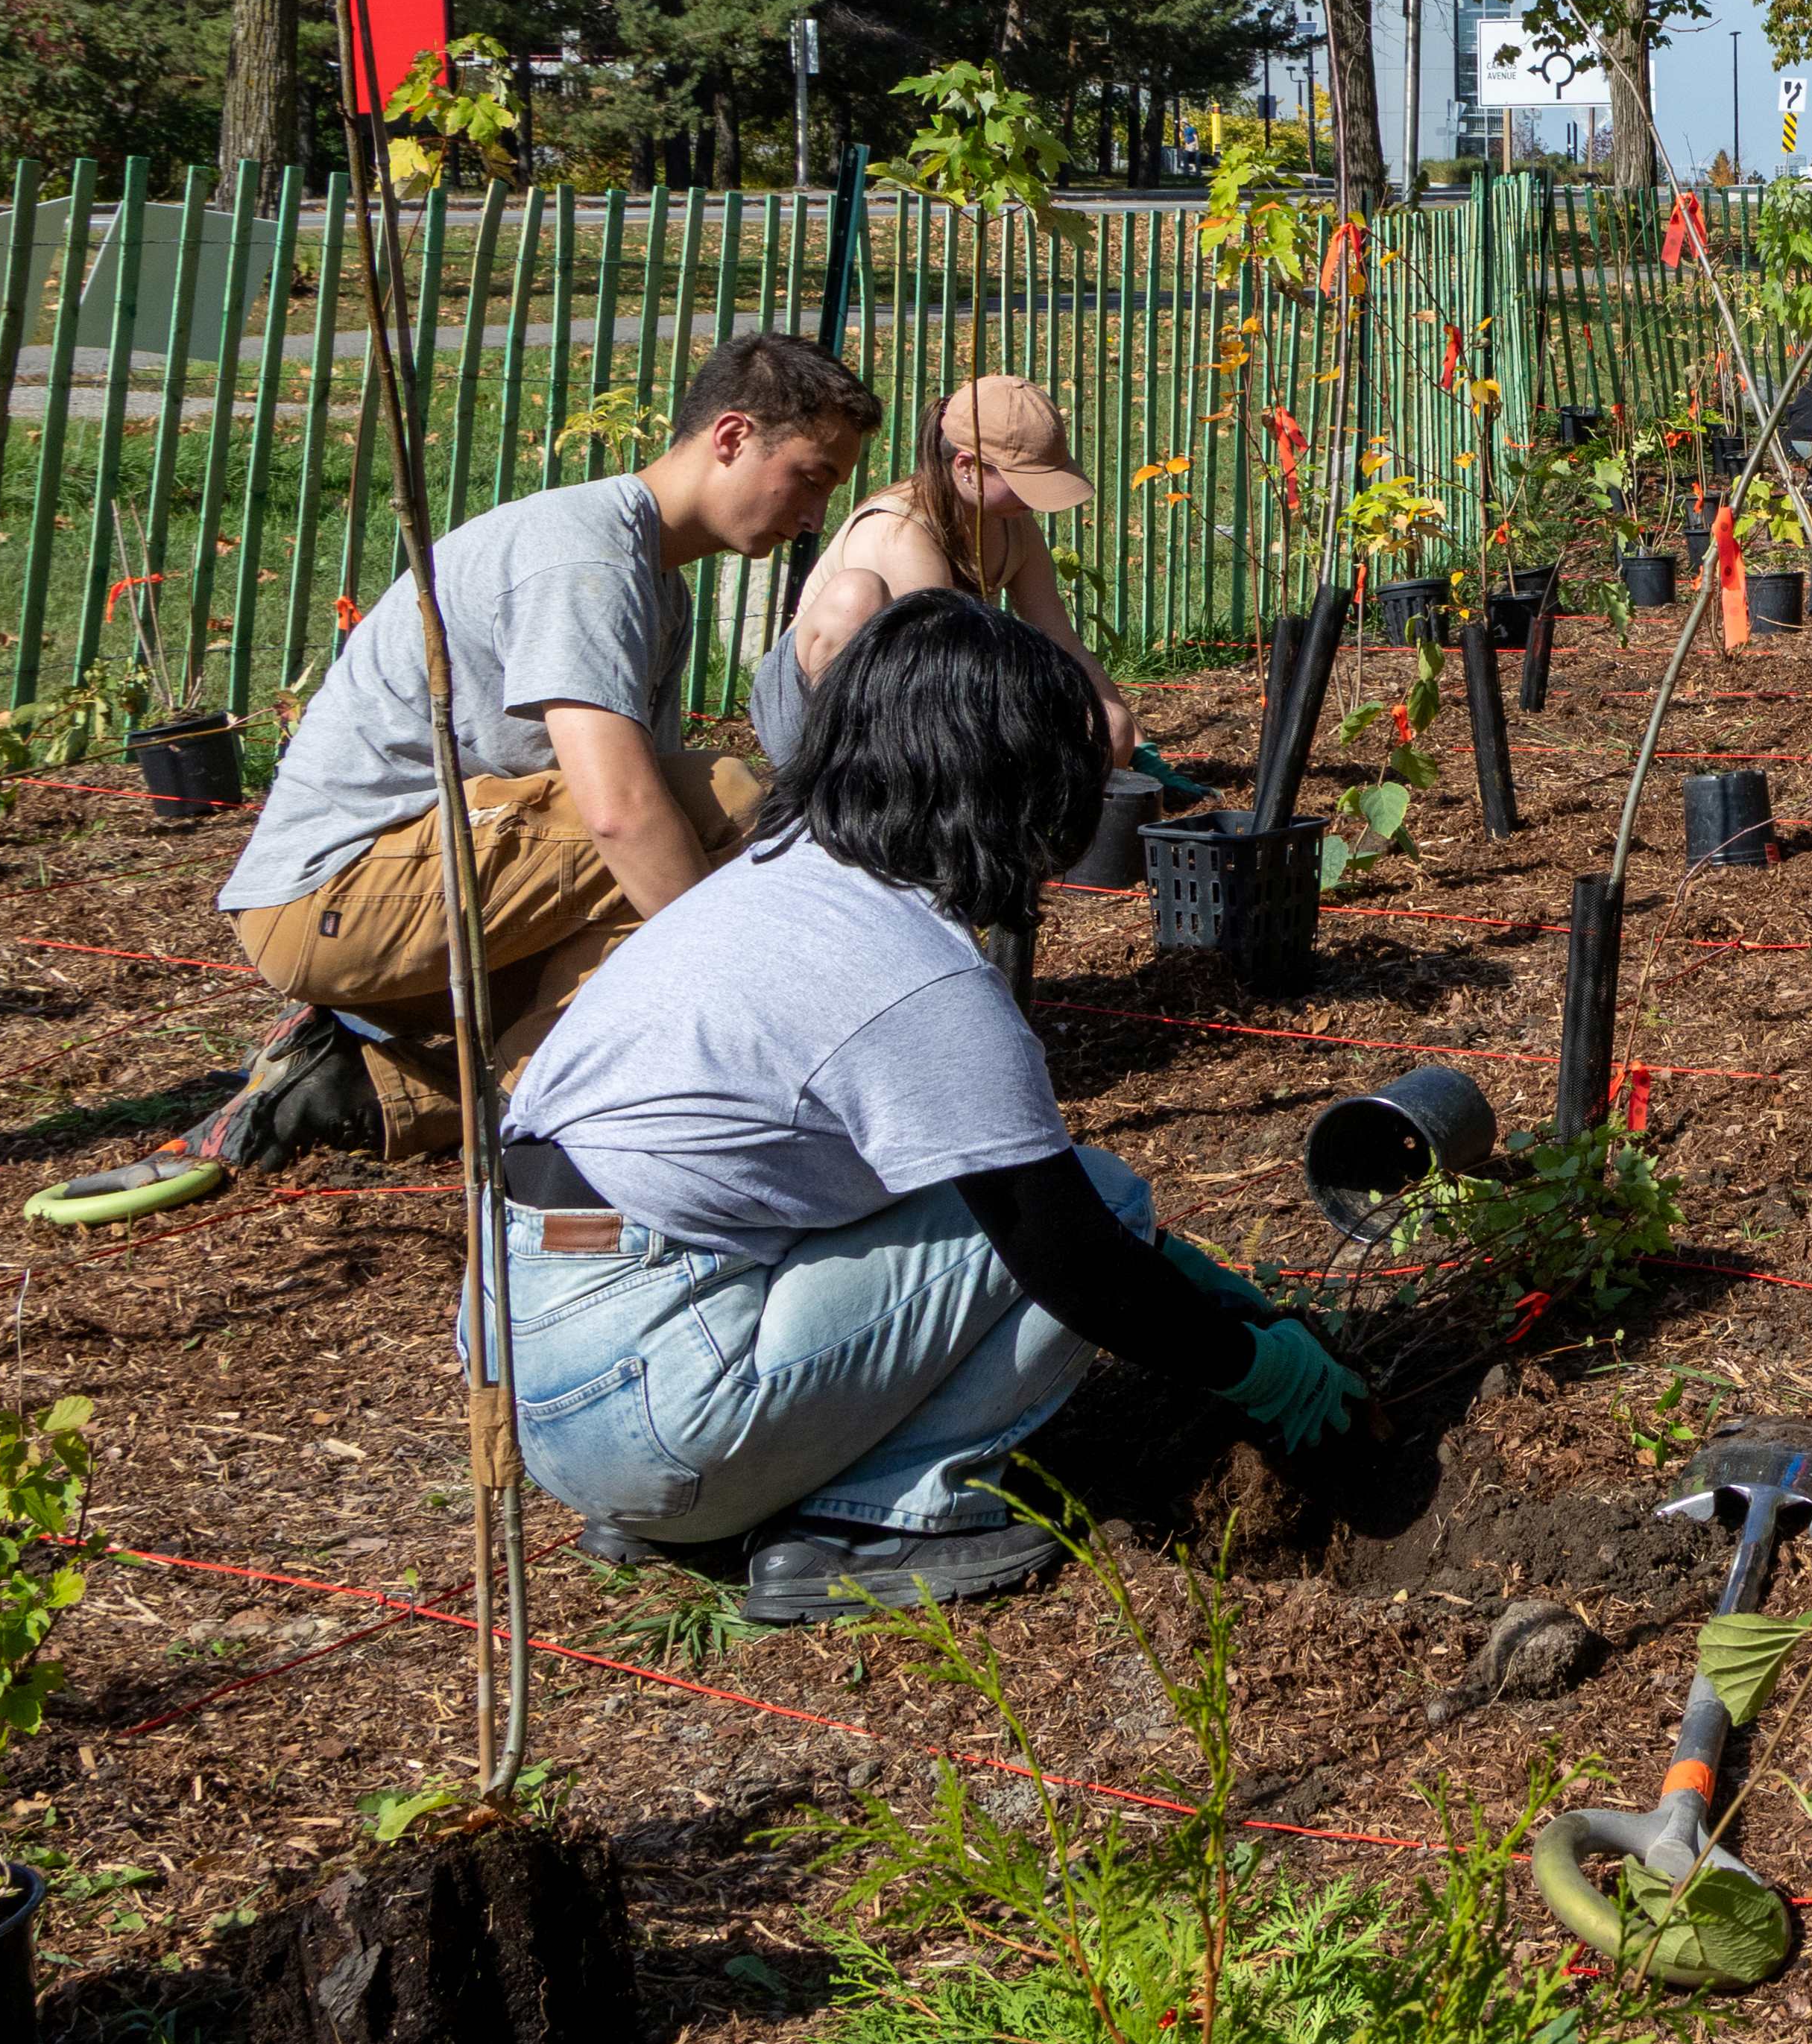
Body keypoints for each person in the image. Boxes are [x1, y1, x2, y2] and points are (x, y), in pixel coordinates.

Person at [493, 590, 1358, 1626]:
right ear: (1013, 787)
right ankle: (876, 1520)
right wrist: (1257, 1368)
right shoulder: (920, 982)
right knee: (1103, 1201)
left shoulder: (769, 888)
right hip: (657, 1409)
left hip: (527, 1376)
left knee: (1039, 1209)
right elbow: (1072, 1258)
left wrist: (1210, 1289)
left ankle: (697, 1497)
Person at [130, 330, 873, 1189]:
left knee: (696, 843)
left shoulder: (651, 577)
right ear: (732, 437)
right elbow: (620, 814)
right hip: (329, 899)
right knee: (723, 798)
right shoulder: (585, 555)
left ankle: (364, 1091)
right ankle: (542, 1114)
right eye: (812, 477)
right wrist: (740, 997)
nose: (816, 515)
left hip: (418, 893)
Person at [755, 373, 1133, 769]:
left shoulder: (1009, 517)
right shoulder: (901, 531)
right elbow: (944, 673)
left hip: (926, 694)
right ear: (967, 466)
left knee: (1111, 727)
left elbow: (1061, 639)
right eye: (1025, 480)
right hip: (828, 709)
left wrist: (1127, 735)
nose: (1036, 499)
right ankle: (841, 787)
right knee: (861, 599)